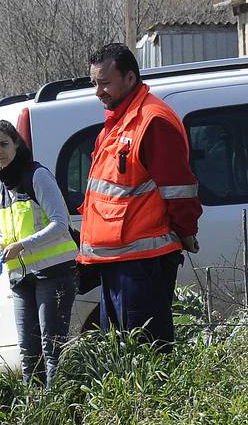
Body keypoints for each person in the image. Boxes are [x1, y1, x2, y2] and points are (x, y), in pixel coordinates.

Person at [79, 43, 201, 347]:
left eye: (105, 83)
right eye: (95, 83)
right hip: (118, 261)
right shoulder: (116, 124)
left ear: (130, 78)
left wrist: (186, 231)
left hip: (144, 262)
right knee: (124, 358)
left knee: (148, 351)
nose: (98, 92)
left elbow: (180, 190)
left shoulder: (152, 121)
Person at [0, 120, 78, 382]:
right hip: (20, 278)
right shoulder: (0, 188)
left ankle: (56, 412)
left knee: (53, 349)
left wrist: (23, 245)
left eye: (4, 144)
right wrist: (0, 243)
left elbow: (60, 224)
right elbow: (7, 231)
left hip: (54, 273)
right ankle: (33, 415)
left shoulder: (36, 175)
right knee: (28, 352)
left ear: (16, 144)